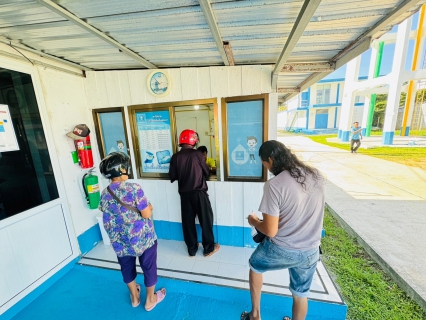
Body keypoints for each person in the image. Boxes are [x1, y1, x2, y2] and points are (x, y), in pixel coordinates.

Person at [241, 140, 325, 320]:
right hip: (311, 250)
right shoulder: (316, 175)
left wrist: (254, 221)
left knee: (255, 266)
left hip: (283, 249)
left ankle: (255, 315)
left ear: (270, 159)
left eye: (264, 162)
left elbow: (270, 231)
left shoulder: (275, 185)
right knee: (301, 293)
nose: (265, 166)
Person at [98, 152, 166, 311]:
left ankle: (135, 298)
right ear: (120, 170)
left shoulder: (104, 193)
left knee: (126, 267)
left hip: (120, 241)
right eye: (125, 167)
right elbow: (146, 214)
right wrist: (149, 207)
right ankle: (150, 300)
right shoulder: (134, 188)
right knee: (148, 266)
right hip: (142, 238)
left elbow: (107, 211)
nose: (127, 169)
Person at [168, 129, 220, 257]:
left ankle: (192, 249)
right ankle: (208, 249)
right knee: (206, 221)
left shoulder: (175, 157)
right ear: (193, 141)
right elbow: (207, 172)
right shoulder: (198, 155)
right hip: (199, 193)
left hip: (184, 195)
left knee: (188, 223)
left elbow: (172, 176)